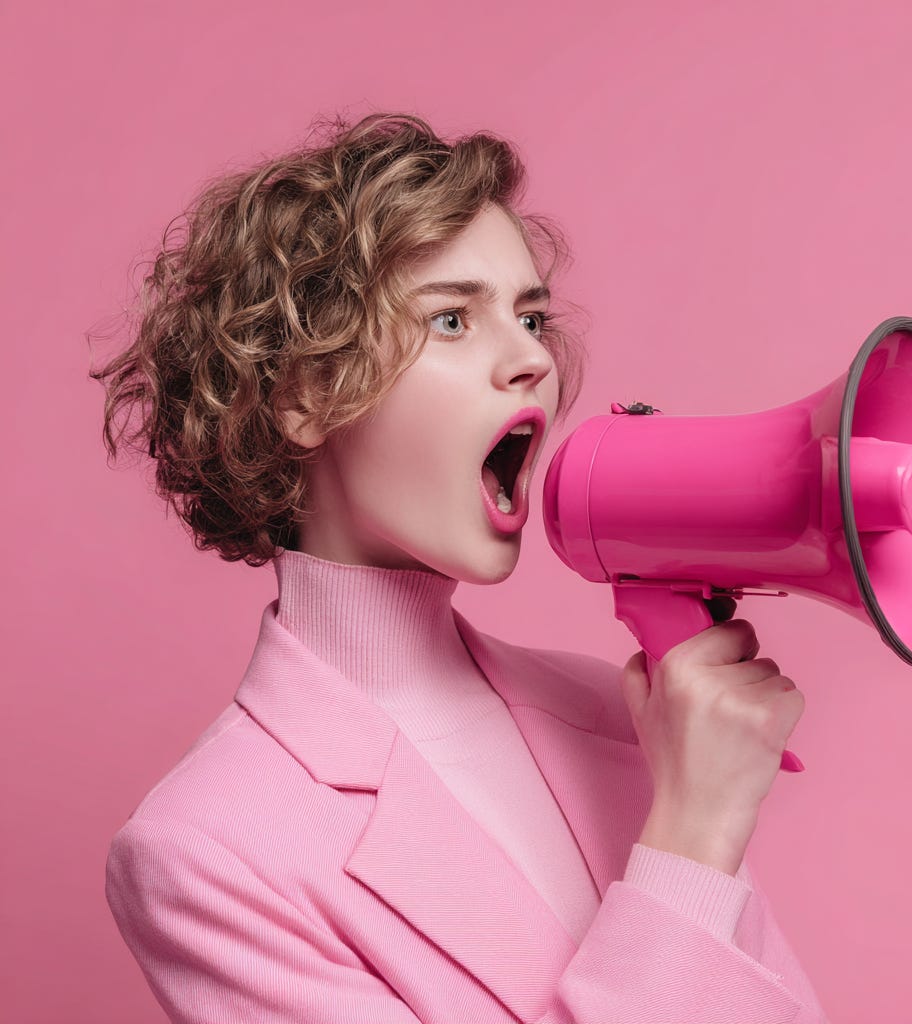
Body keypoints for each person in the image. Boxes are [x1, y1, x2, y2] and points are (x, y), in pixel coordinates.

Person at [93, 112, 827, 1023]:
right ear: (303, 394)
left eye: (531, 318)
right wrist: (694, 837)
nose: (533, 360)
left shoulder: (618, 717)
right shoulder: (206, 852)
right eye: (451, 319)